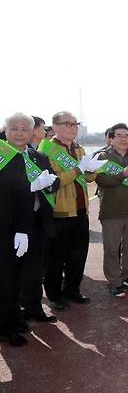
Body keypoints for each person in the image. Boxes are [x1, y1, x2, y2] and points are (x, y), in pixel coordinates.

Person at [40, 111, 103, 310]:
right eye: (69, 124)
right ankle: (55, 295)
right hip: (59, 212)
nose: (74, 127)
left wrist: (93, 169)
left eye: (76, 124)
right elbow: (55, 181)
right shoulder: (46, 149)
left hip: (81, 209)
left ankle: (72, 290)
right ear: (55, 127)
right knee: (56, 257)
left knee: (78, 255)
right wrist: (78, 169)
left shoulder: (78, 148)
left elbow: (86, 178)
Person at [5, 113, 59, 325]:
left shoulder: (39, 157)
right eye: (14, 129)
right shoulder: (3, 157)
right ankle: (12, 314)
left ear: (32, 132)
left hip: (37, 220)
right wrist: (29, 187)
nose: (19, 133)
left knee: (35, 269)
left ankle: (34, 308)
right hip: (10, 224)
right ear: (6, 131)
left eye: (24, 129)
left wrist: (48, 184)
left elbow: (53, 183)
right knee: (10, 270)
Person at [95, 123, 128, 297]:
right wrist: (122, 175)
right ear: (111, 138)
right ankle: (114, 281)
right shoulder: (102, 156)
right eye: (119, 135)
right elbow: (101, 180)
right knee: (111, 248)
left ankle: (127, 277)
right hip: (111, 211)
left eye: (126, 135)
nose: (123, 138)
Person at [0, 123, 32, 346]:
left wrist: (22, 229)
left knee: (8, 281)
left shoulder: (11, 156)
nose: (19, 133)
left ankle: (8, 325)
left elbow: (22, 197)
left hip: (7, 230)